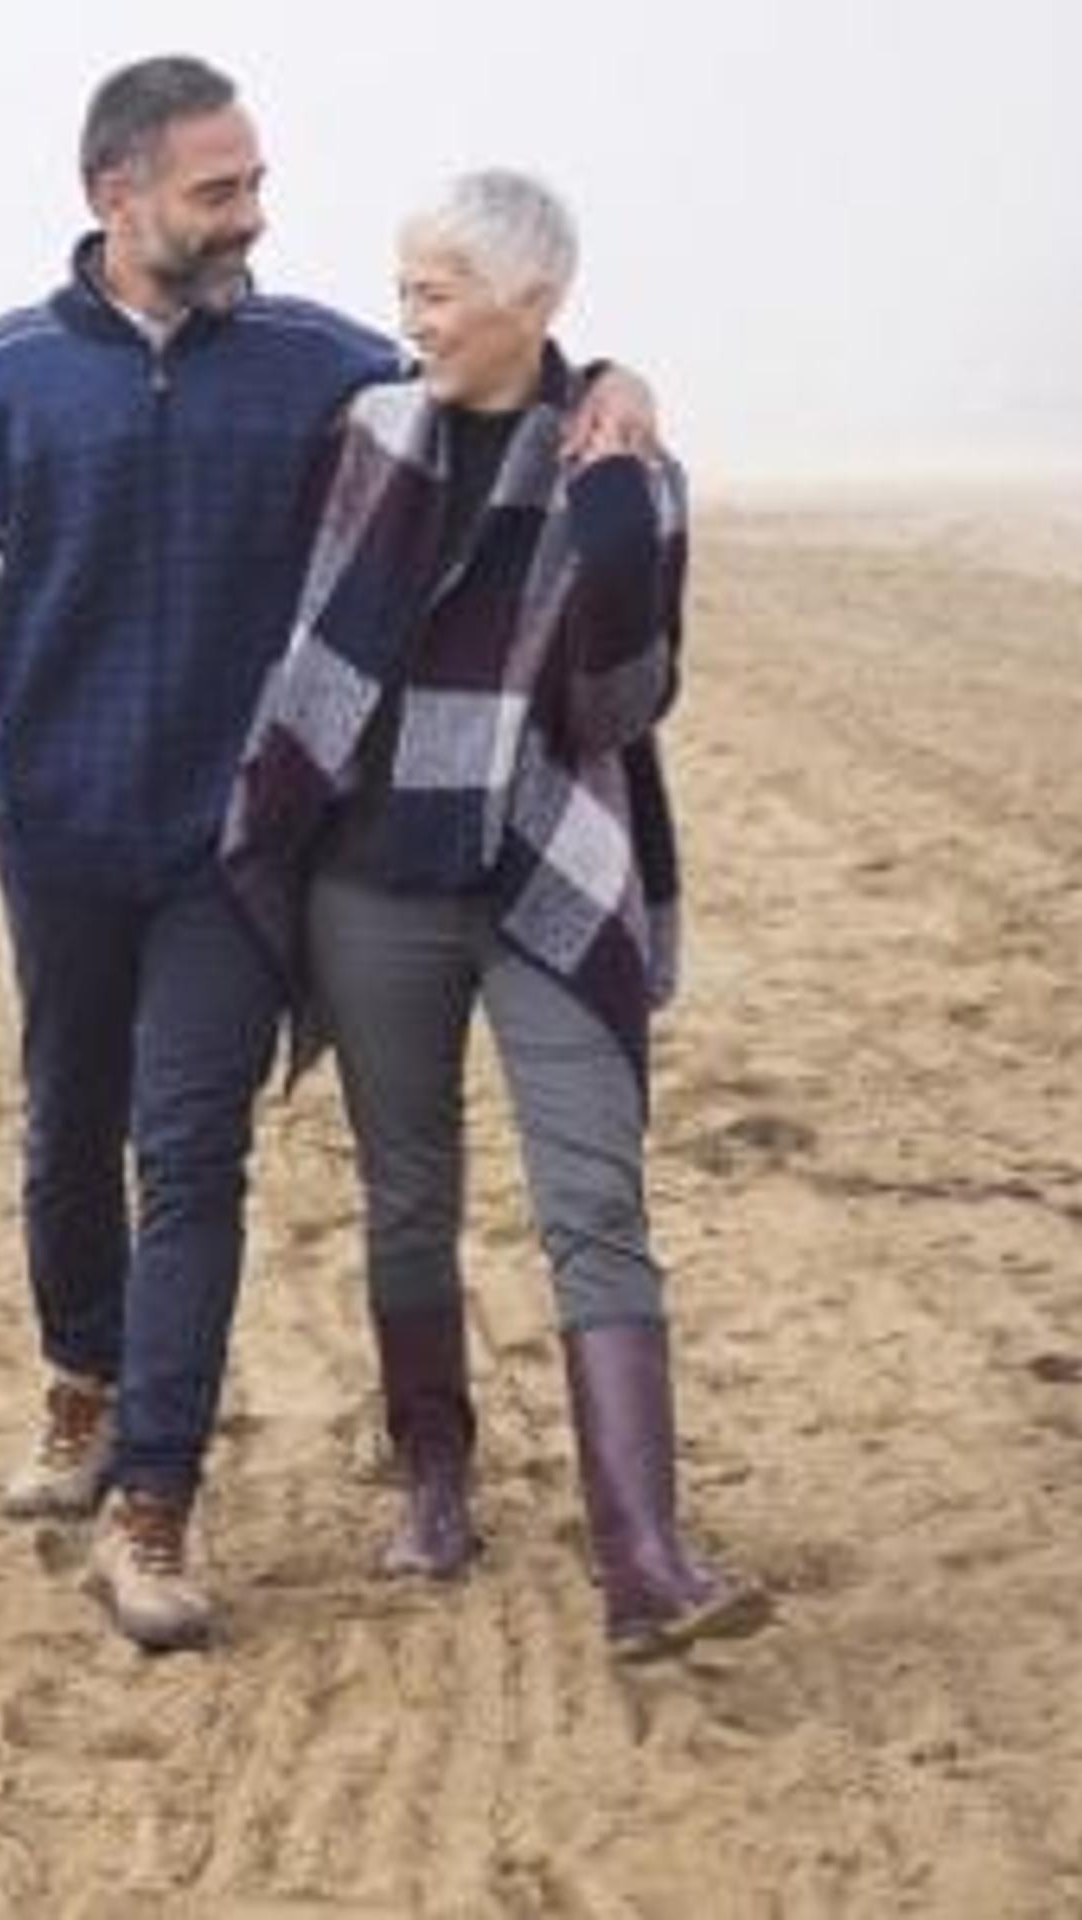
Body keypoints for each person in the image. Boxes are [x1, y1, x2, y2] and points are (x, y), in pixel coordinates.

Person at [0, 57, 655, 1653]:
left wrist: (610, 379)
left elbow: (485, 365)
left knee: (191, 1152)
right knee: (68, 1135)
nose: (253, 214)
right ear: (114, 197)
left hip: (232, 848)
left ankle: (156, 1504)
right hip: (57, 836)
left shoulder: (313, 367)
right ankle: (83, 1383)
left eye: (256, 183)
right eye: (220, 189)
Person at [216, 168, 767, 1660]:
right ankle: (436, 1480)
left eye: (440, 291)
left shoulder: (628, 469)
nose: (413, 317)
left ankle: (644, 1553)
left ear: (534, 302)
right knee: (411, 1190)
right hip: (369, 879)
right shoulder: (366, 426)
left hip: (541, 865)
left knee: (596, 1198)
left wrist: (607, 514)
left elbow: (621, 701)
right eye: (404, 288)